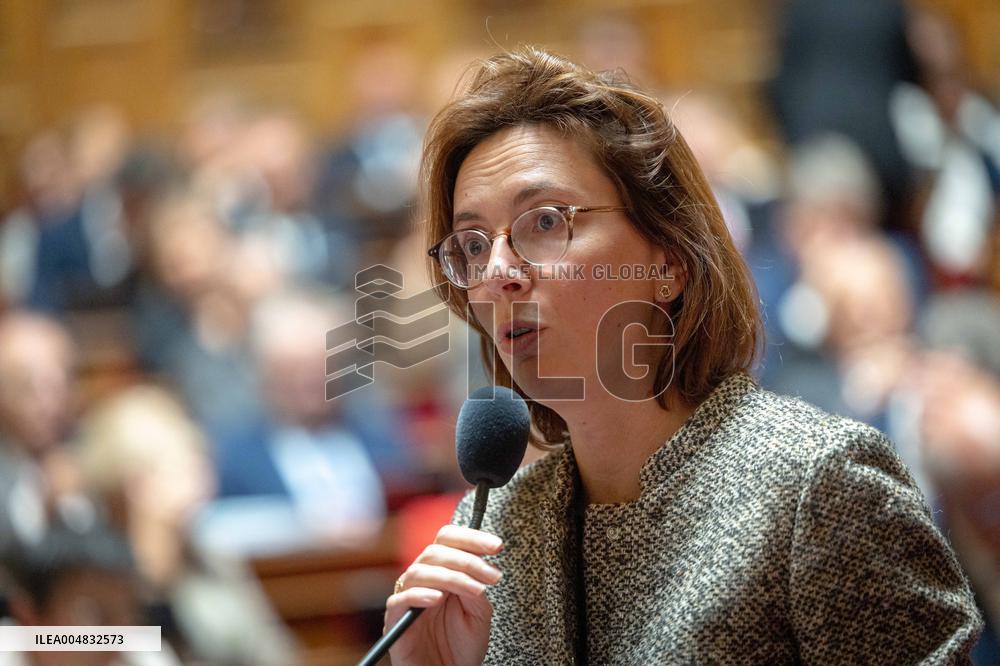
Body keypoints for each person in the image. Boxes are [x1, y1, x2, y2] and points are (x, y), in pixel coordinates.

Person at [382, 48, 984, 664]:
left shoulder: (819, 486)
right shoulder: (494, 531)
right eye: (473, 244)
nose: (498, 272)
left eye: (543, 221)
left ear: (667, 260)